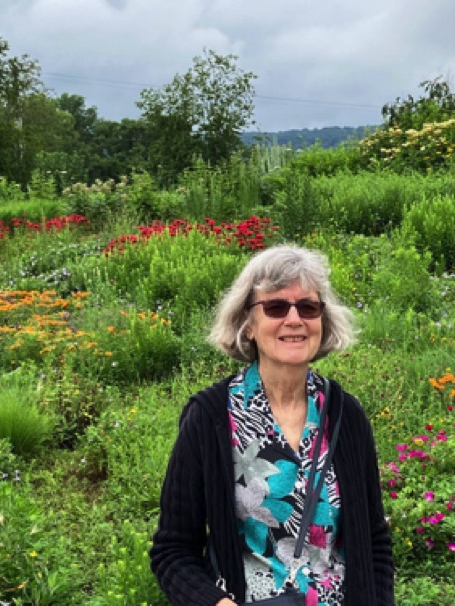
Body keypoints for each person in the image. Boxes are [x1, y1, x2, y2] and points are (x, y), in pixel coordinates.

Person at [150, 245, 395, 605]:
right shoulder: (212, 417)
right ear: (247, 325)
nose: (294, 320)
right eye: (276, 307)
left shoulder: (345, 413)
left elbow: (374, 541)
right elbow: (173, 550)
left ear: (322, 321)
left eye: (308, 307)